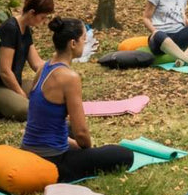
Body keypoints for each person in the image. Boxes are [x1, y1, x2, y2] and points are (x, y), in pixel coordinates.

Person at [21, 17, 134, 182]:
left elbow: (40, 118)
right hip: (53, 160)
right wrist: (87, 152)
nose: (85, 44)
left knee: (68, 128)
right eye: (83, 40)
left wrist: (72, 143)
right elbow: (81, 133)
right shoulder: (69, 78)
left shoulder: (43, 68)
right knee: (124, 154)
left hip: (29, 147)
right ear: (73, 43)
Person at [0, 0, 53, 120]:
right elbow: (4, 71)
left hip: (14, 82)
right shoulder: (10, 29)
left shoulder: (26, 29)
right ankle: (2, 105)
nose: (43, 22)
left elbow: (37, 63)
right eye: (42, 17)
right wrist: (20, 93)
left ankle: (10, 102)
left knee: (51, 92)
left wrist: (57, 70)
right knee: (26, 110)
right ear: (32, 13)